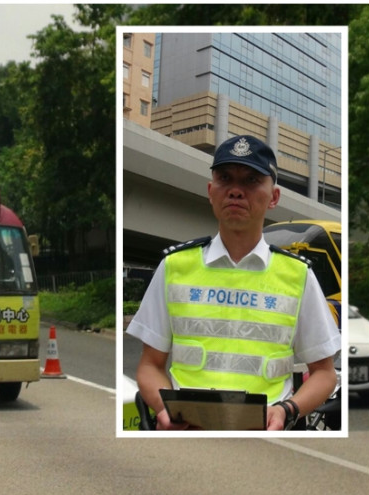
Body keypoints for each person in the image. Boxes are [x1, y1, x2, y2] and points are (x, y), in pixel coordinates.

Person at [127, 135, 340, 431]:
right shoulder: (174, 267)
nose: (236, 191)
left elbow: (325, 373)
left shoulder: (298, 276)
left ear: (274, 197)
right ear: (211, 191)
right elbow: (150, 365)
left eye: (252, 180)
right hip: (188, 433)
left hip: (266, 438)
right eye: (225, 178)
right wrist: (165, 410)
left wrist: (287, 410)